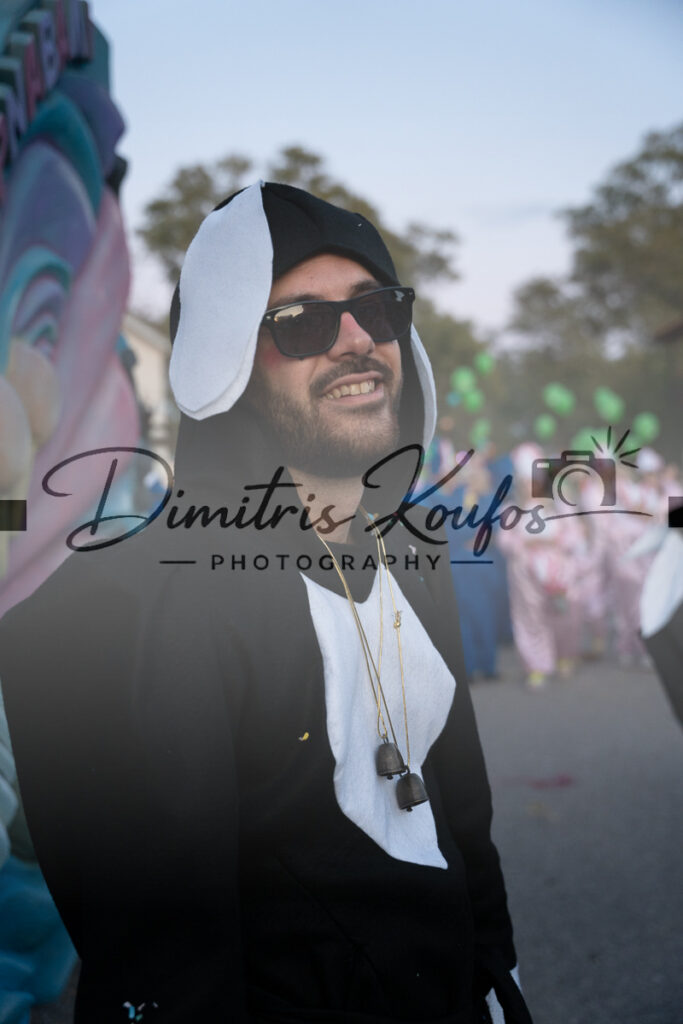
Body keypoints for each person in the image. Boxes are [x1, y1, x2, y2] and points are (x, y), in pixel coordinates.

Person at [0, 183, 533, 1024]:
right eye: (302, 323)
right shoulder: (123, 611)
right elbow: (167, 972)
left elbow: (461, 820)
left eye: (376, 309)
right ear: (229, 359)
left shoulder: (415, 550)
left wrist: (498, 978)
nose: (356, 340)